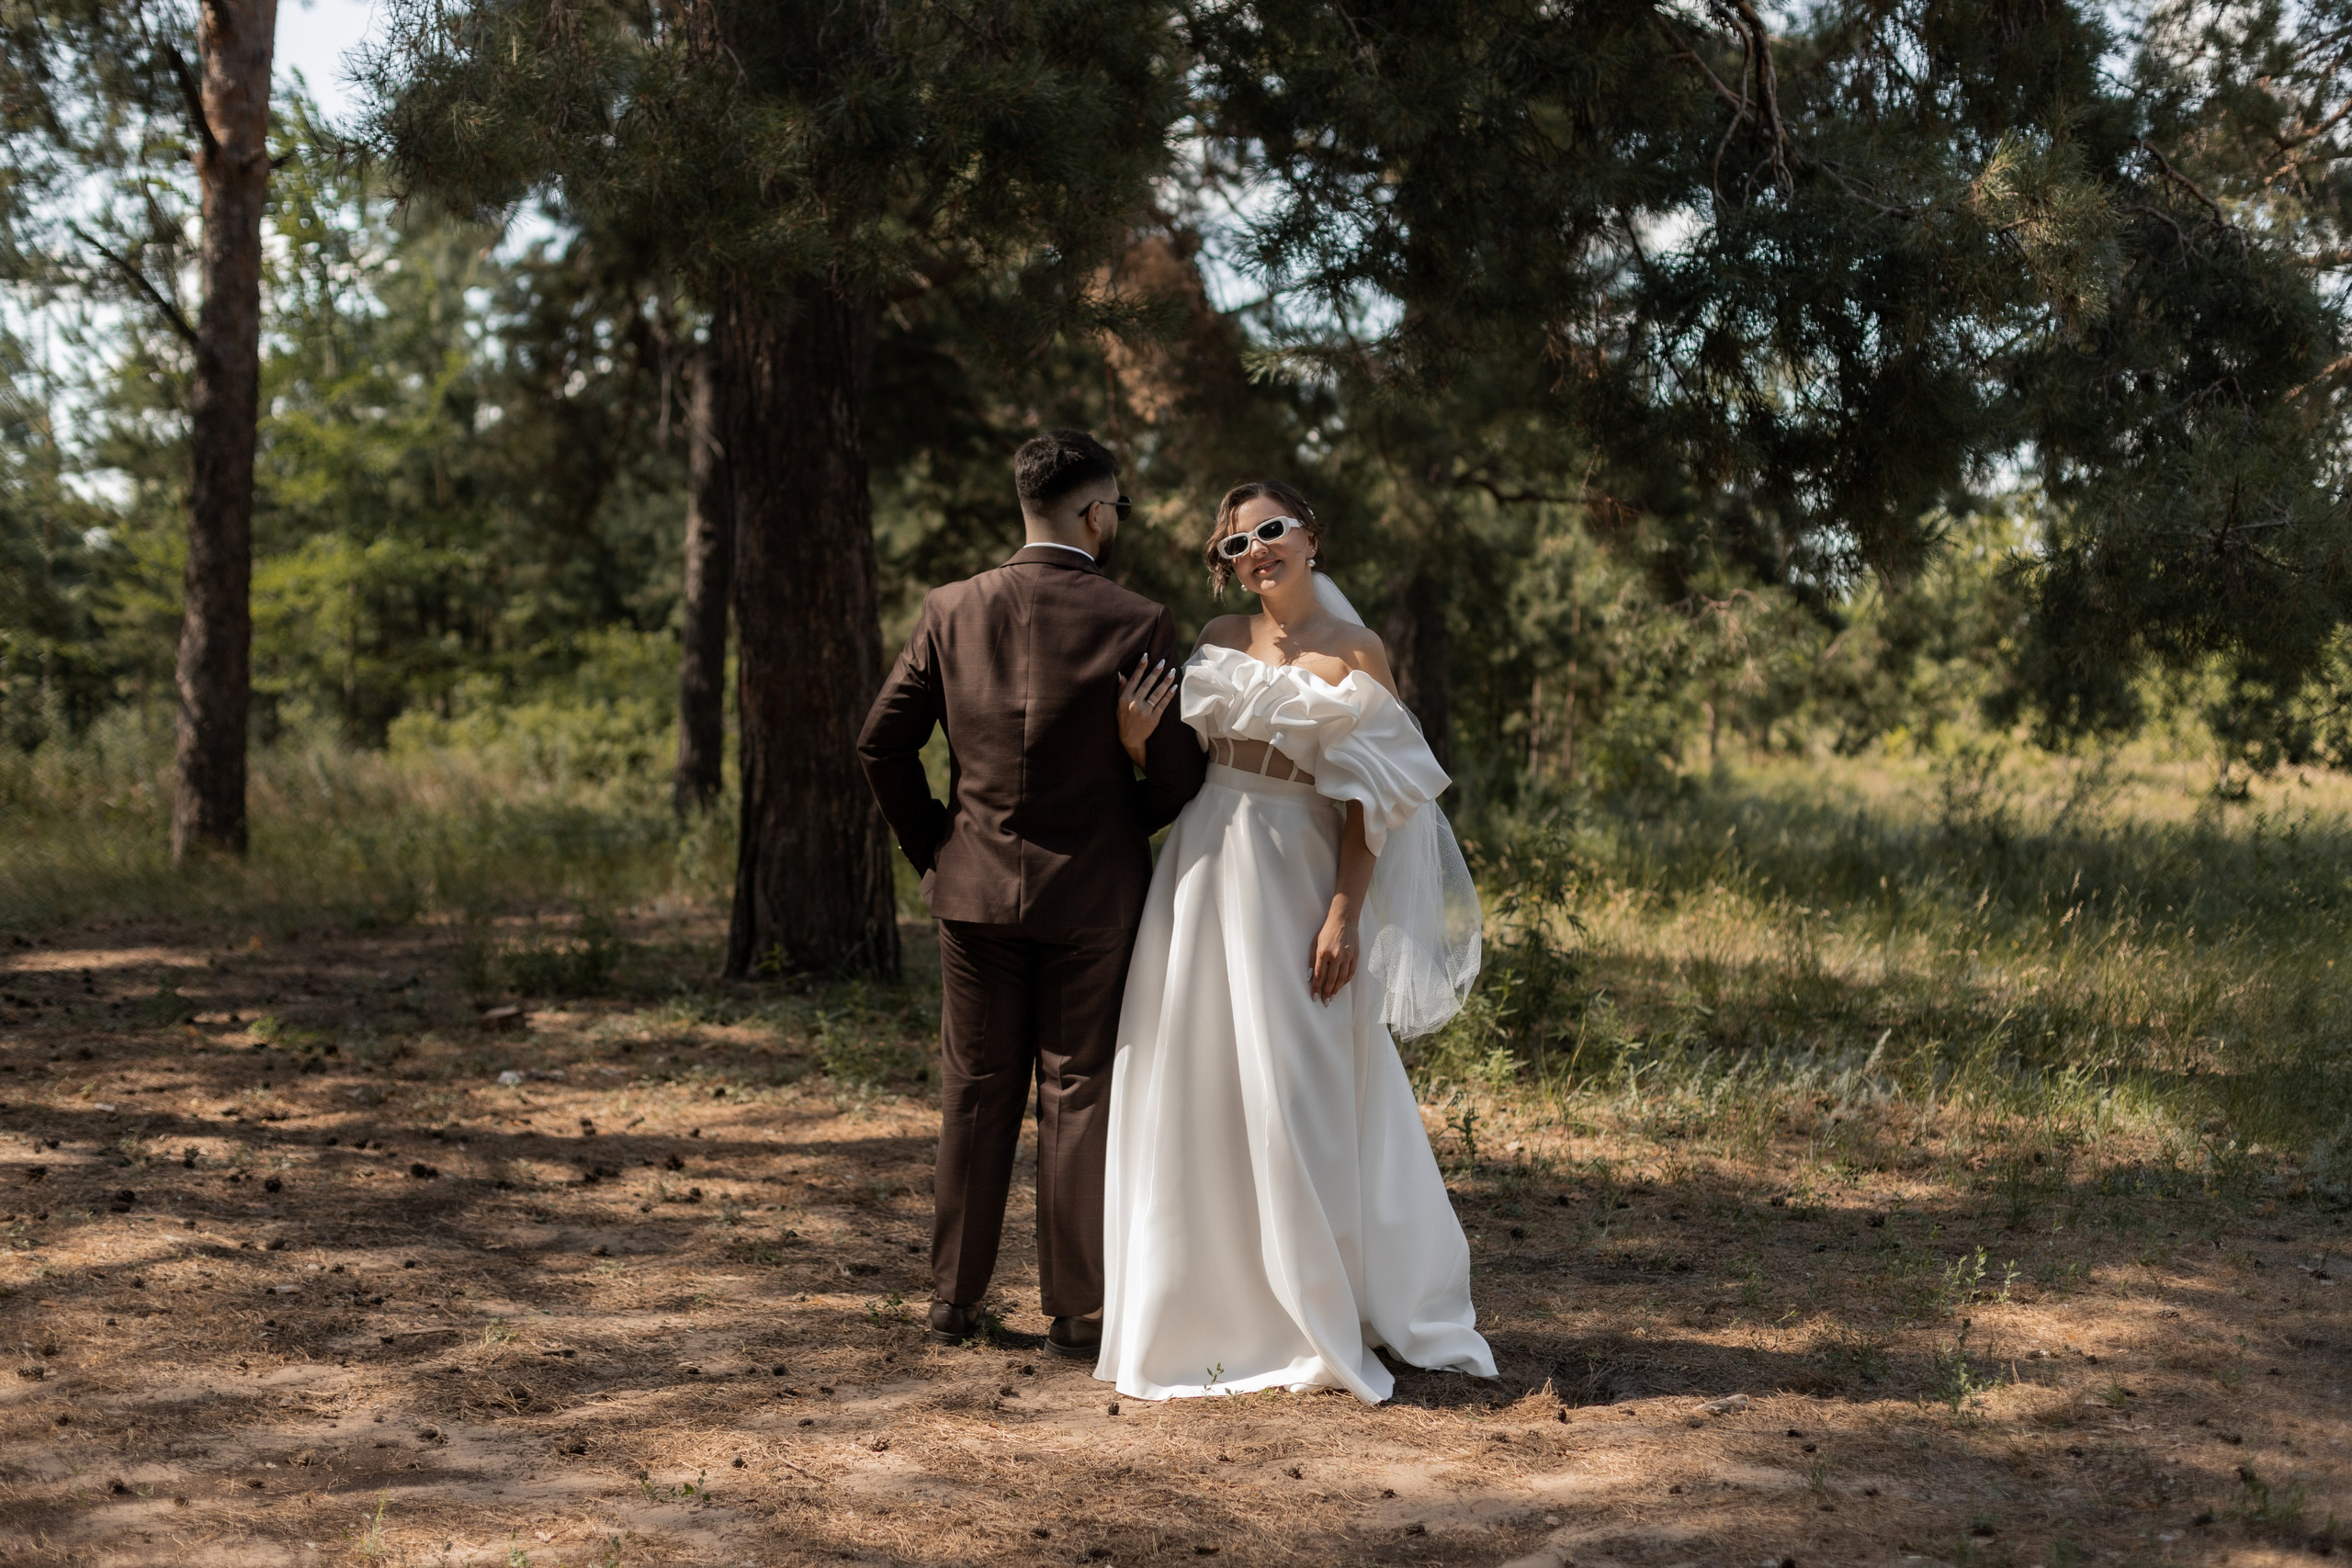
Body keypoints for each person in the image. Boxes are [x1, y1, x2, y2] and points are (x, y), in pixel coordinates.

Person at [1096, 479, 1495, 1403]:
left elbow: (1373, 797)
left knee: (1298, 1083)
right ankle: (1204, 1307)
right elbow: (1178, 767)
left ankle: (1313, 1302)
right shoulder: (1215, 639)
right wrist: (1135, 743)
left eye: (1271, 531)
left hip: (1298, 877)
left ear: (1311, 535)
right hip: (1203, 871)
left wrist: (1344, 911)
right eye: (1235, 544)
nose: (1256, 552)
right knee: (1197, 1077)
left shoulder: (1357, 651)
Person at [856, 429, 1205, 1359]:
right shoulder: (1138, 620)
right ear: (1093, 514)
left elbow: (881, 742)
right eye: (1117, 508)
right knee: (1078, 1091)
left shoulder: (950, 609)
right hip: (1093, 896)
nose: (1117, 521)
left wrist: (935, 846)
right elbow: (1180, 779)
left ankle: (952, 1301)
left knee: (975, 1092)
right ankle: (1077, 1312)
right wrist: (1131, 778)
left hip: (971, 889)